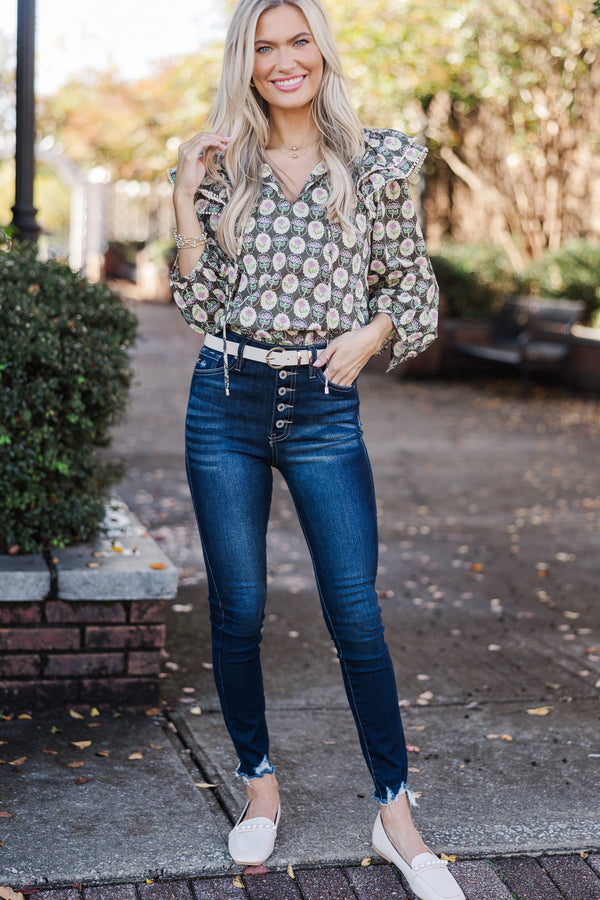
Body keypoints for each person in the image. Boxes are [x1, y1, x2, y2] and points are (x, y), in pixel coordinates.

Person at [169, 1, 463, 898]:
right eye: (265, 47)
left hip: (325, 409)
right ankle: (260, 789)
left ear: (322, 52)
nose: (284, 60)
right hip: (225, 400)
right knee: (240, 607)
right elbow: (195, 299)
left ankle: (396, 817)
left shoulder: (376, 160)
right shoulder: (223, 164)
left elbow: (412, 289)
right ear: (245, 62)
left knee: (356, 616)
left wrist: (373, 334)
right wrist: (184, 195)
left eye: (299, 41)